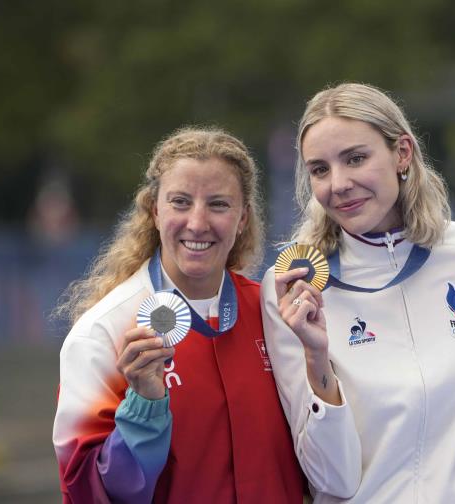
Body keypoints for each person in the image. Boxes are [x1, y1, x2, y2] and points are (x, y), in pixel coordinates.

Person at [261, 83, 455, 503]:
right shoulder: (295, 287)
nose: (339, 184)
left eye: (355, 159)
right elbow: (333, 478)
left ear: (402, 153)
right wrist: (317, 360)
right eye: (320, 169)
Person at [52, 127, 303, 503]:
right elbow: (86, 492)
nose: (198, 223)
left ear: (243, 217)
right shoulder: (105, 332)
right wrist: (144, 407)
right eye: (180, 202)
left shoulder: (274, 314)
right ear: (155, 210)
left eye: (218, 204)